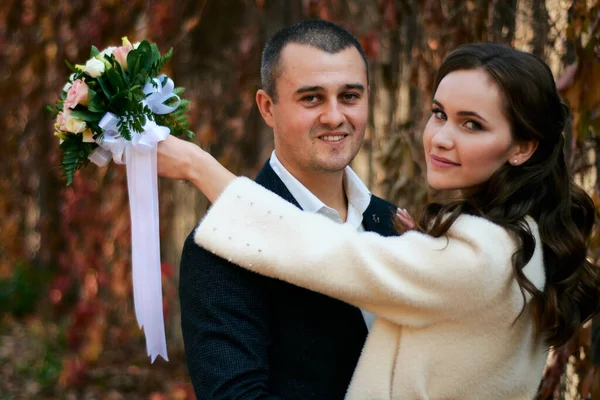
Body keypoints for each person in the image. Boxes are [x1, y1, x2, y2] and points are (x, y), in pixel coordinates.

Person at [159, 42, 600, 399]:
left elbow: (329, 254)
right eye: (440, 114)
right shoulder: (512, 242)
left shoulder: (479, 254)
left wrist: (199, 167)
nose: (442, 138)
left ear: (522, 147)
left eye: (472, 125)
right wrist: (427, 251)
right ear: (267, 107)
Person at [177, 20, 401, 399]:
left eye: (349, 96)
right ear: (267, 107)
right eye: (311, 98)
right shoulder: (218, 246)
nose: (334, 116)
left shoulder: (393, 222)